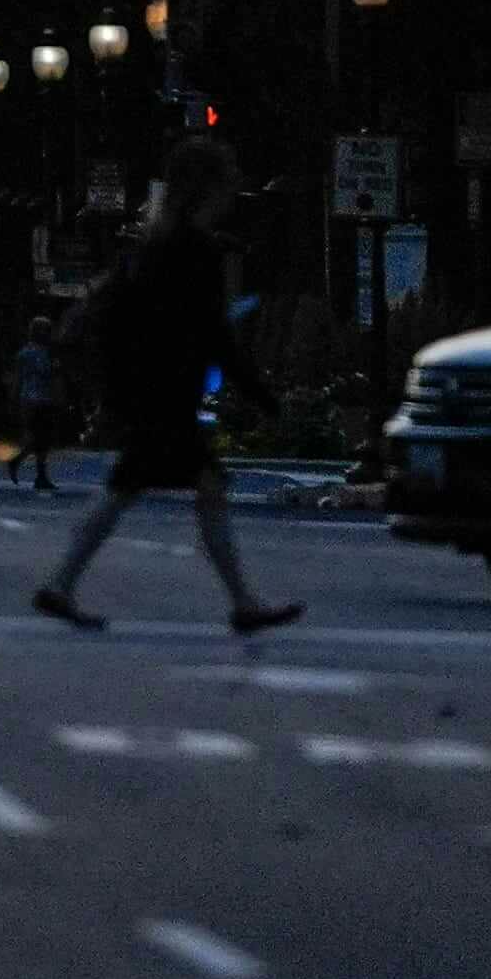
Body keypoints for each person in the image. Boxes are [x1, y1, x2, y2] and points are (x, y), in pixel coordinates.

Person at [32, 137, 299, 634]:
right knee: (161, 487)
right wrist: (261, 395)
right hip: (168, 394)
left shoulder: (156, 247)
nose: (232, 194)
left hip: (149, 390)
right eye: (226, 183)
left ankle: (62, 583)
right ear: (208, 189)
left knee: (153, 487)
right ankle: (241, 603)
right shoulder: (195, 251)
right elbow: (212, 332)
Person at [8, 315, 67, 496]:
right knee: (38, 437)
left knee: (44, 439)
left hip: (45, 398)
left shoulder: (46, 353)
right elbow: (19, 378)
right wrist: (15, 398)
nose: (48, 334)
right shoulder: (28, 354)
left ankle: (39, 474)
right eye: (45, 330)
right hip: (32, 399)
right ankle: (19, 461)